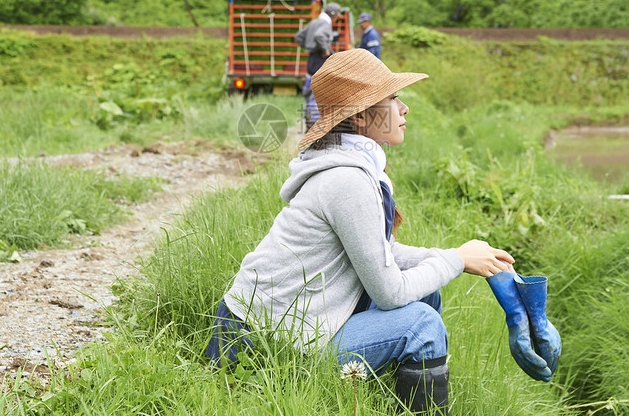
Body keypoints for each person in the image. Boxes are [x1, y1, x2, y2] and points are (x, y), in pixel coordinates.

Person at [206, 50, 551, 414]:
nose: (404, 109)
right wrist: (454, 260)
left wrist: (462, 259)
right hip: (261, 347)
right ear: (359, 116)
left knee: (426, 297)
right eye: (392, 99)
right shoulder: (348, 180)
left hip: (279, 327)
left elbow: (383, 254)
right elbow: (389, 292)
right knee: (421, 323)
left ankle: (379, 401)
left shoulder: (351, 168)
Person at [295, 1, 341, 75]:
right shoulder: (325, 24)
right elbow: (319, 35)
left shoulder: (314, 22)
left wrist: (309, 45)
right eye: (337, 15)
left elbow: (298, 37)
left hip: (312, 58)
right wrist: (325, 49)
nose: (337, 17)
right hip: (320, 59)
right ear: (333, 14)